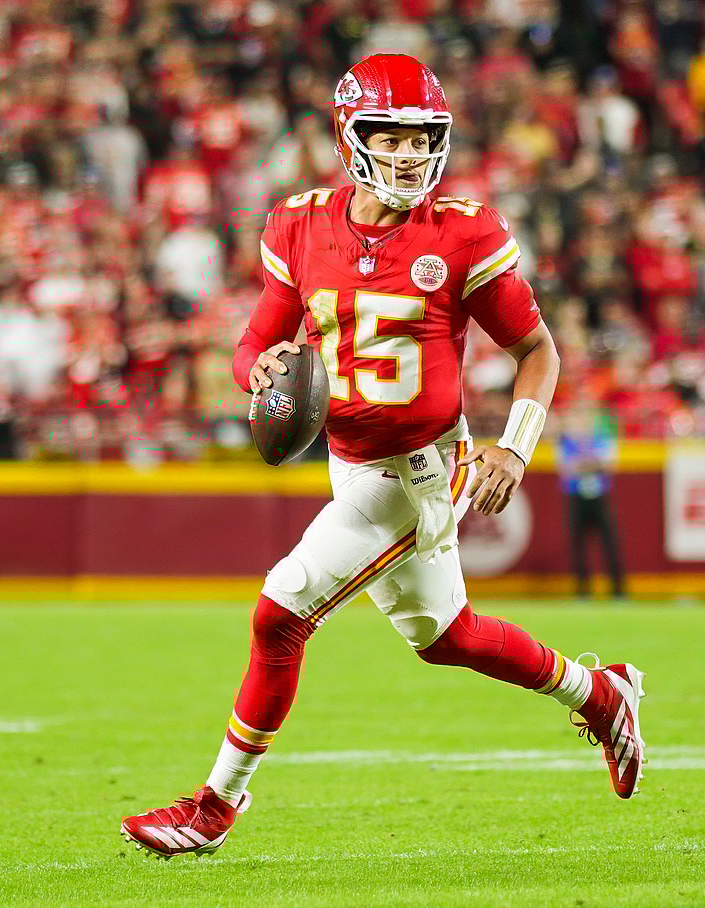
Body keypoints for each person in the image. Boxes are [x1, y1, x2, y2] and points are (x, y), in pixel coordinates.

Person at [121, 55, 648, 860]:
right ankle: (601, 695)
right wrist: (256, 371)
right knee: (446, 636)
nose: (408, 154)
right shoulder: (301, 224)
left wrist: (515, 447)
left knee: (280, 614)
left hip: (419, 471)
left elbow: (537, 351)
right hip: (350, 460)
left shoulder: (465, 233)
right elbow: (256, 342)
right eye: (390, 136)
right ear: (350, 136)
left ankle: (213, 808)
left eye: (421, 138)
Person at [558, 396, 625, 598]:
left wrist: (583, 463)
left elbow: (608, 465)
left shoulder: (601, 438)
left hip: (599, 496)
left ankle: (618, 589)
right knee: (578, 545)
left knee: (610, 542)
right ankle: (583, 590)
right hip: (576, 496)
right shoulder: (567, 440)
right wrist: (592, 463)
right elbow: (567, 468)